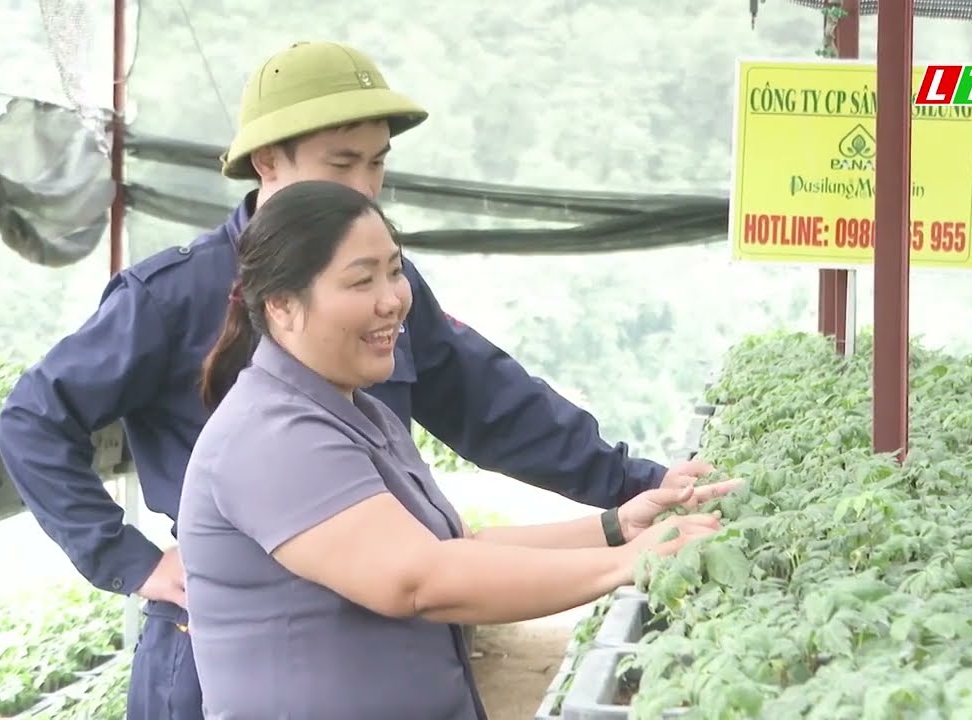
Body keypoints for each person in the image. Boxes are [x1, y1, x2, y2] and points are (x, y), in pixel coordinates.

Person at [0, 41, 725, 720]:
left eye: (377, 164)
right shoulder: (179, 306)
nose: (365, 187)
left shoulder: (366, 356)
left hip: (370, 633)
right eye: (342, 163)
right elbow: (32, 418)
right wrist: (131, 560)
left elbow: (496, 408)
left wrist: (631, 496)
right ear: (268, 164)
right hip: (215, 644)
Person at [179, 179, 732, 719]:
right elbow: (420, 579)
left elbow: (458, 545)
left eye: (395, 271)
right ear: (281, 306)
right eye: (361, 281)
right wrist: (623, 565)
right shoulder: (269, 435)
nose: (392, 300)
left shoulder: (358, 410)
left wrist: (616, 527)